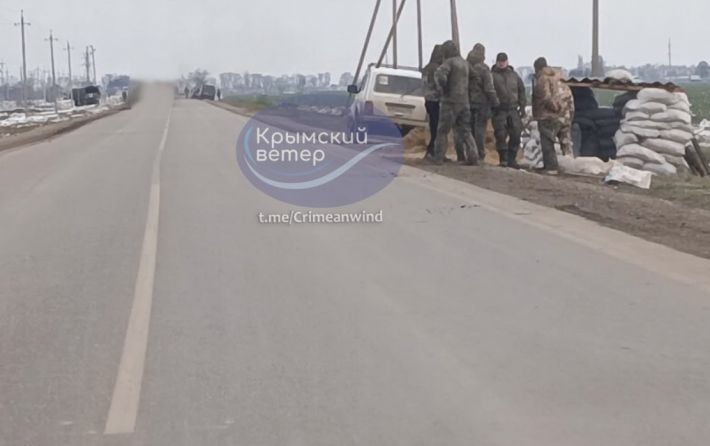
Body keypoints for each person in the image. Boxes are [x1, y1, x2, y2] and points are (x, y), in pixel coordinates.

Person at [430, 40, 478, 166]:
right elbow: (475, 77)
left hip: (450, 102)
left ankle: (438, 158)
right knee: (466, 131)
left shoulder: (449, 62)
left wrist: (443, 88)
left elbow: (440, 75)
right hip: (464, 102)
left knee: (442, 131)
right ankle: (473, 157)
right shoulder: (465, 63)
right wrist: (468, 90)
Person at [491, 53, 526, 168]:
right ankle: (503, 159)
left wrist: (522, 106)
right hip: (499, 110)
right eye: (499, 61)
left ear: (507, 61)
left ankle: (512, 159)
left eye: (503, 61)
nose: (501, 63)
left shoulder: (514, 75)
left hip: (513, 109)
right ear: (497, 62)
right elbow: (488, 91)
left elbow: (521, 90)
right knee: (500, 134)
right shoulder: (492, 76)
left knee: (516, 133)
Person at [467, 43, 499, 161]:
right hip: (481, 103)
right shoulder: (483, 68)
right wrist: (495, 101)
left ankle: (470, 153)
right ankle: (480, 154)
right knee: (480, 130)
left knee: (469, 129)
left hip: (468, 102)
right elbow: (489, 88)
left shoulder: (467, 66)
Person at [532, 57, 564, 174]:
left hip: (545, 115)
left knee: (546, 142)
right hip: (553, 115)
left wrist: (553, 107)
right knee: (549, 141)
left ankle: (551, 167)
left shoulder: (542, 79)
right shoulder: (553, 77)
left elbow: (546, 97)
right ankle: (549, 166)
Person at [422, 45, 445, 159]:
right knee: (437, 128)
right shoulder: (437, 68)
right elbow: (439, 85)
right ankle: (433, 151)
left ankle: (432, 151)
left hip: (428, 100)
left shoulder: (426, 68)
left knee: (433, 126)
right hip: (436, 100)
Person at [557, 79, 575, 156]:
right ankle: (568, 159)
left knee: (548, 144)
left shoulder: (544, 86)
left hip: (549, 121)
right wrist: (570, 120)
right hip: (565, 119)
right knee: (566, 144)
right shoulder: (565, 87)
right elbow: (572, 108)